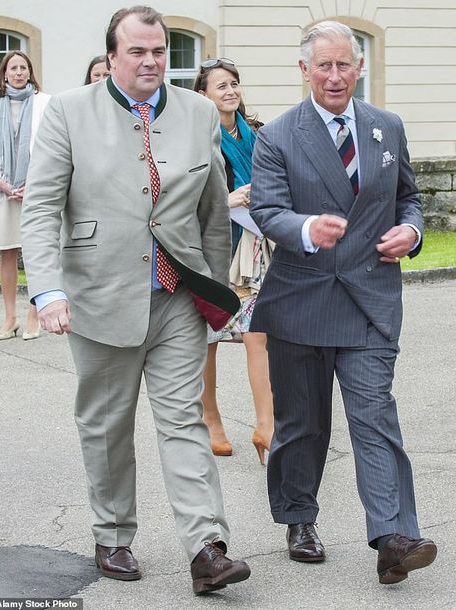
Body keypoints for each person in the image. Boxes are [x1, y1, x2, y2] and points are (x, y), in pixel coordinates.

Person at [21, 5, 250, 595]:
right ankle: (114, 535)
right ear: (114, 54)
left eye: (160, 51)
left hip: (176, 296)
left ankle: (207, 546)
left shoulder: (198, 112)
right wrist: (47, 290)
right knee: (106, 426)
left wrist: (214, 293)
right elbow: (43, 207)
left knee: (183, 420)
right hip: (98, 297)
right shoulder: (69, 112)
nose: (152, 62)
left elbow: (212, 213)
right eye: (138, 52)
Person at [249, 20, 437, 584]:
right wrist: (307, 228)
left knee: (375, 417)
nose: (335, 76)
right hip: (300, 298)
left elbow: (409, 198)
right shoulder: (278, 135)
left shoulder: (386, 127)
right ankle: (299, 516)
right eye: (323, 66)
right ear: (304, 70)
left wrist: (413, 232)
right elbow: (266, 209)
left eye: (344, 65)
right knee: (301, 423)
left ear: (359, 67)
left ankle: (393, 536)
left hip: (370, 300)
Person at [193, 59, 274, 464]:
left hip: (254, 248)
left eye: (234, 84)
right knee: (208, 340)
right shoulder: (195, 137)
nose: (230, 91)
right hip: (213, 251)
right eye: (221, 85)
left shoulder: (257, 135)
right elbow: (183, 198)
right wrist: (225, 203)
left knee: (258, 335)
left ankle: (267, 426)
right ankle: (211, 418)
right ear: (203, 93)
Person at [0, 51, 50, 341]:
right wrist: (2, 183)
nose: (19, 72)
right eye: (14, 68)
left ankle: (33, 314)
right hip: (1, 187)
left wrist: (30, 183)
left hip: (33, 187)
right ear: (4, 73)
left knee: (34, 250)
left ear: (30, 72)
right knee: (6, 252)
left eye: (24, 67)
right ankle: (9, 317)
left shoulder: (43, 102)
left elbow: (49, 147)